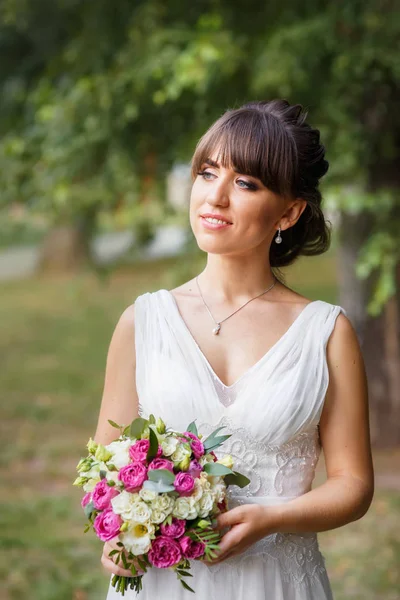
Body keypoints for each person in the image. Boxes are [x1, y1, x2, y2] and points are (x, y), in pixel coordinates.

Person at [94, 99, 374, 599]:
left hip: (278, 582)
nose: (215, 197)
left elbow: (353, 484)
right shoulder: (143, 321)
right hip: (164, 582)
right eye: (207, 172)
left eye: (246, 184)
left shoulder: (325, 332)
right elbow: (105, 467)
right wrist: (117, 534)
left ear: (288, 212)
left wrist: (273, 518)